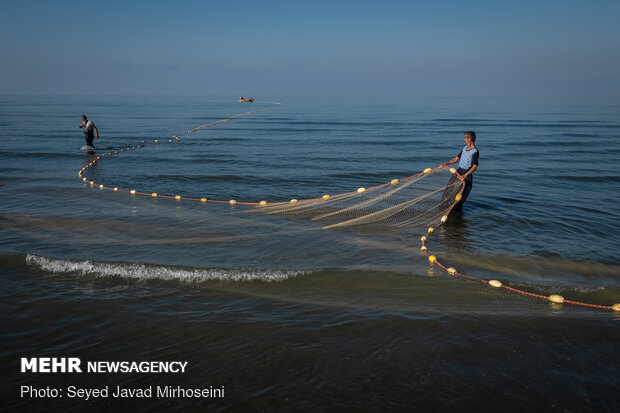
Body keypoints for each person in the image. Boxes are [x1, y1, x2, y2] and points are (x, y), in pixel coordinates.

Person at [439, 131, 479, 211]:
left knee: (461, 195)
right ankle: (444, 209)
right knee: (449, 191)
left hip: (466, 175)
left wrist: (465, 175)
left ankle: (456, 212)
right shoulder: (464, 148)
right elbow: (456, 159)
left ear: (469, 139)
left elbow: (474, 167)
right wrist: (446, 163)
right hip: (458, 172)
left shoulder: (475, 152)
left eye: (465, 138)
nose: (464, 139)